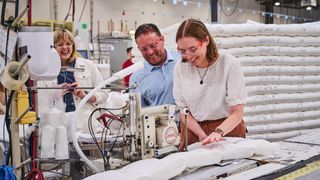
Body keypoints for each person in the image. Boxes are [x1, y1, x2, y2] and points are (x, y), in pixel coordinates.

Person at [173, 19, 247, 149]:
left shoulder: (229, 64)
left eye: (193, 49)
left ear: (206, 40)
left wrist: (217, 132)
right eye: (183, 51)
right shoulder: (180, 68)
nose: (189, 56)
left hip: (227, 130)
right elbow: (183, 111)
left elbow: (237, 112)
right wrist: (201, 135)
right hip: (193, 130)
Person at [38, 29, 107, 112]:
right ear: (53, 47)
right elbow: (38, 101)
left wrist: (85, 95)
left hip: (83, 119)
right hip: (57, 120)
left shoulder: (88, 65)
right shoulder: (45, 70)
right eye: (60, 44)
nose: (65, 47)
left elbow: (104, 94)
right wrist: (55, 95)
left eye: (68, 44)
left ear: (73, 46)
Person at [129, 23, 180, 107]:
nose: (150, 52)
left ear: (162, 39)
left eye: (153, 45)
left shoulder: (182, 60)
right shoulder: (136, 78)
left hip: (191, 119)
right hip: (159, 120)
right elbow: (139, 114)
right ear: (138, 49)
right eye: (144, 49)